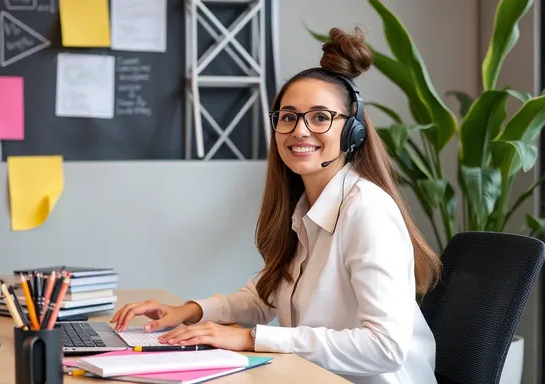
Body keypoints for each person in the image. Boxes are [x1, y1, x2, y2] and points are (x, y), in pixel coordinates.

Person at [111, 26, 441, 384]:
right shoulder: (305, 209)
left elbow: (385, 347)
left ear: (352, 132)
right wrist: (189, 311)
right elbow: (265, 297)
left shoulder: (367, 212)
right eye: (288, 117)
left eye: (320, 117)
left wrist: (251, 338)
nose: (300, 130)